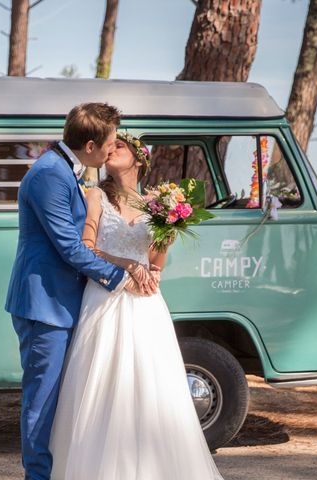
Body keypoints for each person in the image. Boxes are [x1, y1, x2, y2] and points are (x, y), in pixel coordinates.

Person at [48, 131, 225, 480]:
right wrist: (128, 266)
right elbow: (86, 248)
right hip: (104, 299)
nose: (110, 149)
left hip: (145, 305)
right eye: (109, 145)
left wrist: (158, 262)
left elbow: (157, 260)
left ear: (139, 159)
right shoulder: (95, 195)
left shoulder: (157, 205)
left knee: (150, 386)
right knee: (101, 382)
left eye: (119, 146)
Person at [5, 104, 160, 480]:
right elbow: (69, 246)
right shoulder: (49, 175)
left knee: (69, 398)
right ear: (90, 145)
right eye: (108, 144)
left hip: (70, 302)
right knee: (42, 400)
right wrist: (121, 277)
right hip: (45, 304)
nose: (111, 150)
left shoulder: (66, 170)